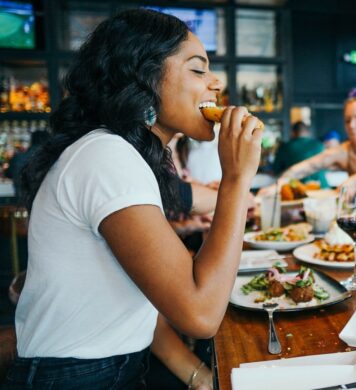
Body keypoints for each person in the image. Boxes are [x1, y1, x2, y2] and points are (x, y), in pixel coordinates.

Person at [6, 9, 262, 389]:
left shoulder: (120, 154)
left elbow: (140, 298)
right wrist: (236, 180)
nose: (216, 82)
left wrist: (197, 376)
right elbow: (201, 314)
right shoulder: (106, 156)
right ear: (144, 79)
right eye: (197, 69)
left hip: (110, 369)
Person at [260, 87, 356, 195]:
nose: (352, 125)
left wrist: (354, 181)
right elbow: (307, 166)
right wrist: (278, 185)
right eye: (348, 120)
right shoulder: (344, 151)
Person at [272, 121, 327, 187]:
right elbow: (327, 167)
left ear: (293, 133)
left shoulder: (285, 147)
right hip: (321, 187)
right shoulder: (319, 145)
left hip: (296, 189)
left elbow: (276, 169)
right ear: (308, 132)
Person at [5, 130, 51, 202]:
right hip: (43, 202)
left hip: (20, 201)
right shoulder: (49, 158)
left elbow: (8, 174)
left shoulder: (17, 157)